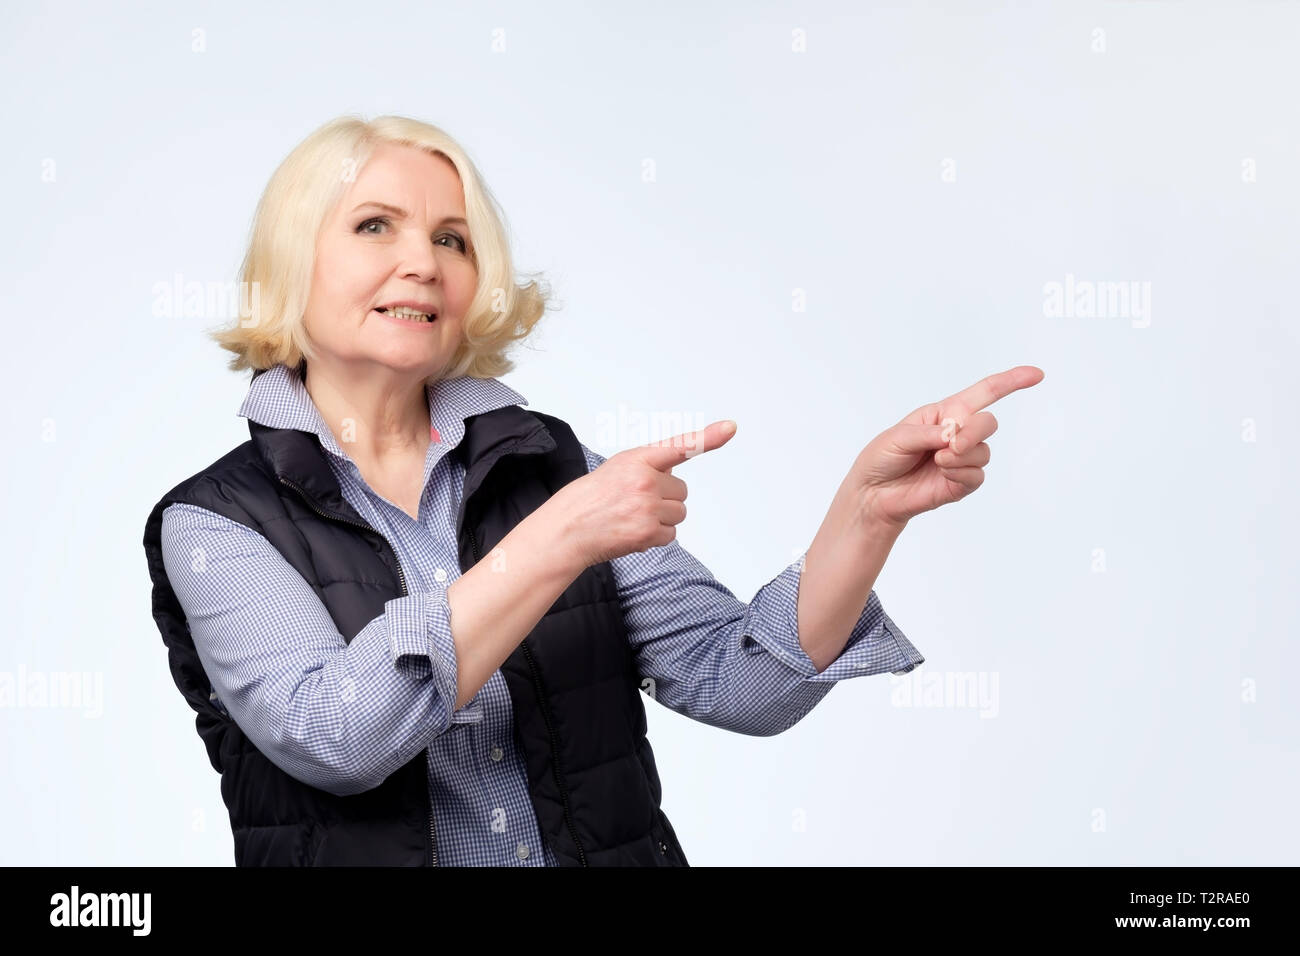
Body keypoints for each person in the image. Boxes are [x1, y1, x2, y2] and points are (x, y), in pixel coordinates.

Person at [141, 113, 1043, 867]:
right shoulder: (213, 524)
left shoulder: (552, 467)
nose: (423, 262)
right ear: (293, 262)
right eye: (374, 226)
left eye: (451, 239)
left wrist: (868, 511)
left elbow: (741, 683)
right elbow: (339, 739)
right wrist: (555, 541)